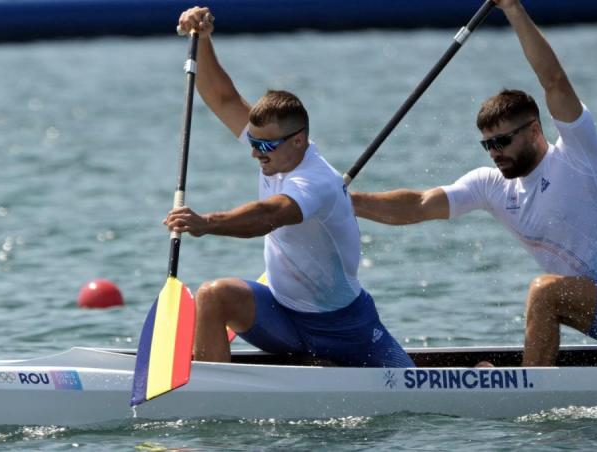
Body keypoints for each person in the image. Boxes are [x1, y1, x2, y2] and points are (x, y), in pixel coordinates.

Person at [351, 0, 597, 367]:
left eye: (503, 141)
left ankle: (528, 387)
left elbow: (554, 81)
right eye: (488, 144)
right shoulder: (491, 185)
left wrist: (513, 8)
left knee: (544, 293)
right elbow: (421, 204)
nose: (494, 152)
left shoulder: (576, 156)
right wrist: (350, 202)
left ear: (535, 130)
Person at [164, 6, 415, 368]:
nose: (254, 152)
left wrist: (208, 223)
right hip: (283, 315)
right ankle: (214, 391)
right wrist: (202, 40)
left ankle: (319, 363)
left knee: (410, 386)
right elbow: (223, 99)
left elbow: (271, 215)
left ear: (298, 141)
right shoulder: (274, 149)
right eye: (254, 141)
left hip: (344, 327)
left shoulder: (316, 181)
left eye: (265, 145)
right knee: (213, 295)